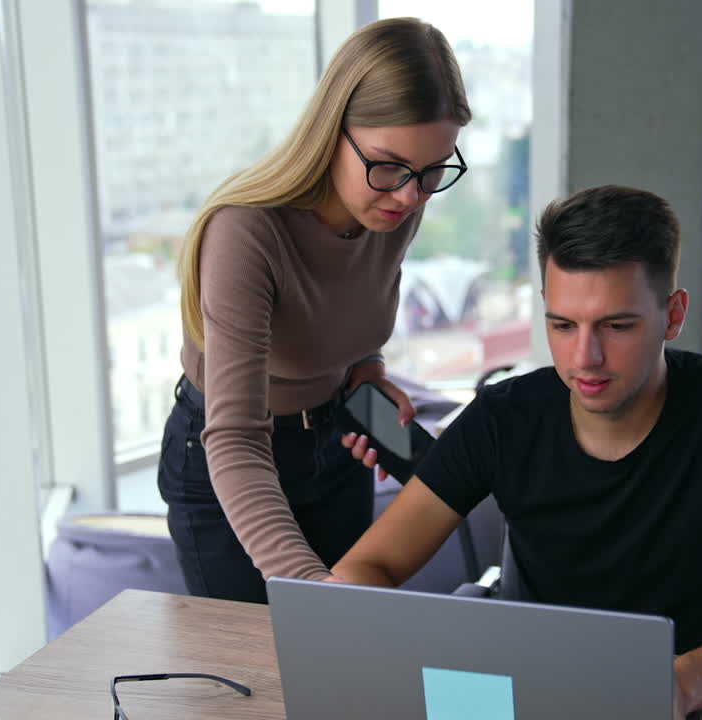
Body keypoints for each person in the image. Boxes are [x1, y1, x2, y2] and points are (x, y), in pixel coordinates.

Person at [332, 185, 702, 713]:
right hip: (539, 696)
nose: (584, 357)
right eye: (562, 325)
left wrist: (673, 687)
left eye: (617, 326)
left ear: (673, 316)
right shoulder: (505, 416)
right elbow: (367, 566)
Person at [158, 17, 472, 603]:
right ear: (332, 132)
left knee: (338, 676)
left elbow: (350, 307)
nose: (410, 195)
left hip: (333, 440)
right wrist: (314, 592)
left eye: (433, 171)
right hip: (229, 464)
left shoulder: (394, 203)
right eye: (390, 166)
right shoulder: (246, 233)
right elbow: (235, 440)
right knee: (254, 673)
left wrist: (367, 368)